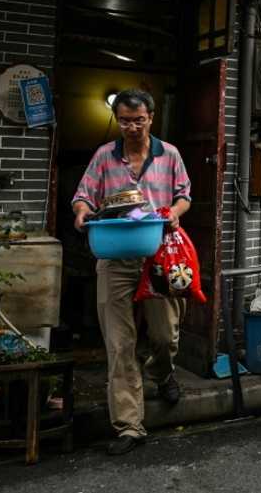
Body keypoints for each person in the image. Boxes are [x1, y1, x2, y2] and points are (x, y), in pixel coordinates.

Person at [71, 89, 192, 454]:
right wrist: (80, 212)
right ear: (118, 119)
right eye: (125, 120)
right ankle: (129, 426)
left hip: (158, 255)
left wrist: (174, 212)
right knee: (120, 344)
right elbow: (83, 196)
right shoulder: (104, 156)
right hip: (114, 257)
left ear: (151, 117)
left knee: (164, 334)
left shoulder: (169, 154)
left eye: (139, 120)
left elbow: (184, 194)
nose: (132, 127)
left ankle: (162, 372)